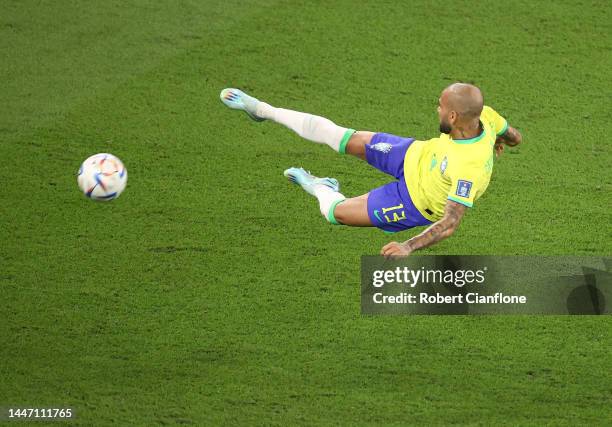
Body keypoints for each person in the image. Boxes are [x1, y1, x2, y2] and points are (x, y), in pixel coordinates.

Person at [220, 83, 522, 257]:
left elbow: (451, 222)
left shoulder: (466, 168)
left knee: (336, 214)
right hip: (413, 155)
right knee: (342, 137)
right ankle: (263, 110)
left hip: (413, 201)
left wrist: (408, 246)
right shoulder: (486, 117)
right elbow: (515, 137)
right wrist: (498, 140)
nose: (437, 110)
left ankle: (321, 187)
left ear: (454, 116)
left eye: (441, 107)